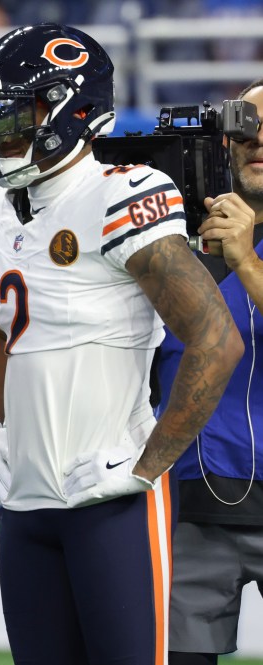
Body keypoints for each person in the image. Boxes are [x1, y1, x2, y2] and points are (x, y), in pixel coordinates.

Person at [0, 23, 244, 664]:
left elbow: (217, 341)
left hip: (113, 504)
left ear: (69, 109)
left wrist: (146, 463)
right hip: (25, 504)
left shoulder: (119, 194)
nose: (0, 133)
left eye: (16, 114)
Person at [158, 80, 263, 665]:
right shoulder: (169, 238)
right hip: (185, 508)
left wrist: (243, 259)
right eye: (246, 123)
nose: (258, 139)